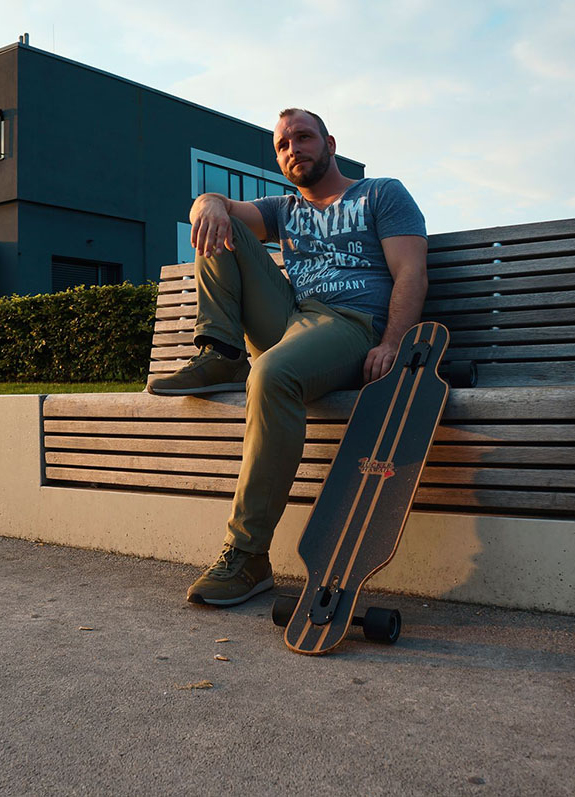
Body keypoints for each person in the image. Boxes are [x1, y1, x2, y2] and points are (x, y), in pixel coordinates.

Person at [148, 108, 428, 606]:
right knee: (219, 223)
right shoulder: (283, 209)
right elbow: (212, 208)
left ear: (330, 144)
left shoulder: (380, 194)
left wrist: (393, 344)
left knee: (271, 375)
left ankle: (248, 554)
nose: (293, 149)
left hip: (349, 324)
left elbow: (410, 273)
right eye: (282, 145)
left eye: (303, 137)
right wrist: (208, 203)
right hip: (293, 320)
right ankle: (222, 352)